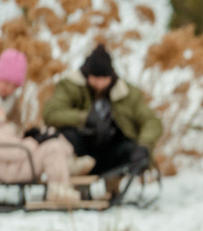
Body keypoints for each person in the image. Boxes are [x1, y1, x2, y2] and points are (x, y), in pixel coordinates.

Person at [42, 44, 160, 178]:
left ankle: (114, 185)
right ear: (87, 75)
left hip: (110, 150)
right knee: (66, 136)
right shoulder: (70, 86)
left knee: (130, 148)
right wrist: (84, 118)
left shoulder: (127, 93)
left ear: (111, 76)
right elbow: (50, 113)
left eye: (104, 79)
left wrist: (144, 145)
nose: (99, 83)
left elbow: (151, 121)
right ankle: (72, 174)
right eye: (95, 78)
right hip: (81, 149)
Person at [0, 91, 95, 204]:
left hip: (16, 165)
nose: (2, 109)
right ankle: (58, 188)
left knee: (52, 137)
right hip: (11, 171)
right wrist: (34, 141)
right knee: (52, 148)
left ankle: (68, 165)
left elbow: (14, 145)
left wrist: (31, 136)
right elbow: (15, 152)